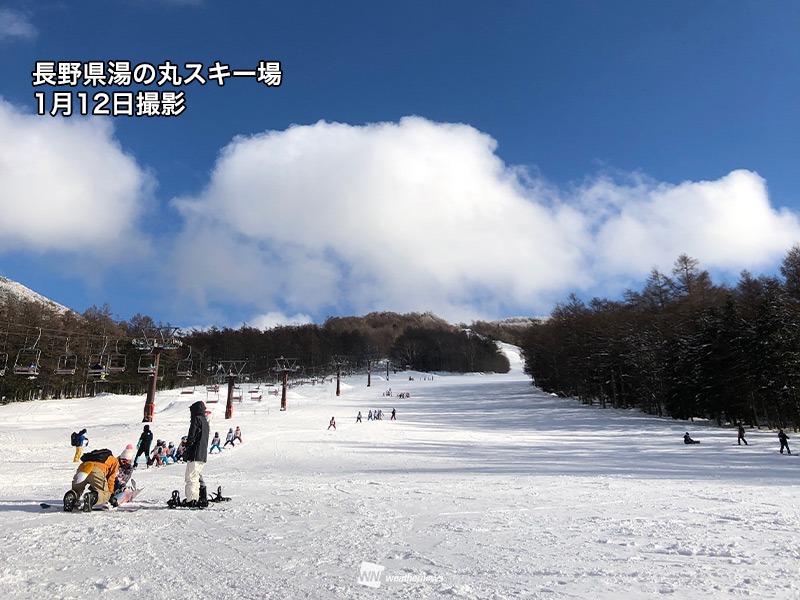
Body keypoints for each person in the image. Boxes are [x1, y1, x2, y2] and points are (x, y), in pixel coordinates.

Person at [183, 400, 210, 507]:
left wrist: (188, 446)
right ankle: (196, 497)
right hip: (202, 455)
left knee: (190, 477)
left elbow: (192, 435)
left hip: (195, 453)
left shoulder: (196, 419)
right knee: (196, 476)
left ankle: (191, 499)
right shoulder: (205, 421)